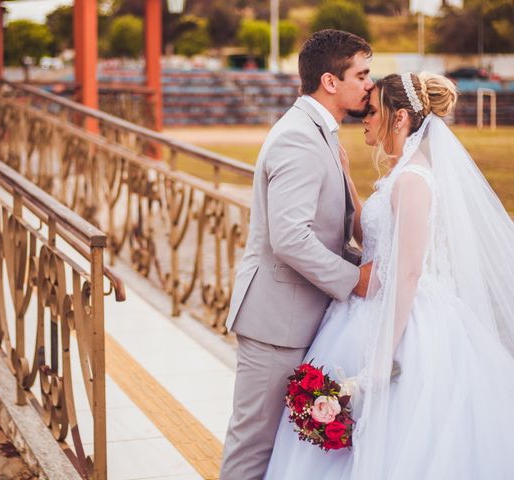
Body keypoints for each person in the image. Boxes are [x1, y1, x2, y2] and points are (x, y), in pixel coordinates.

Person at [264, 72, 514, 479]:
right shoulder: (400, 175)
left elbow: (409, 270)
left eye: (372, 110)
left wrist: (383, 356)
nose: (364, 117)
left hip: (405, 320)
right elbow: (378, 240)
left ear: (398, 119)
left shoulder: (414, 180)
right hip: (368, 304)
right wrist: (347, 181)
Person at [220, 29, 374, 480]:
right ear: (330, 81)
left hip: (299, 318)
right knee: (253, 447)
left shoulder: (318, 132)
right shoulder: (299, 138)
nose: (369, 84)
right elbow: (290, 237)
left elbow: (325, 229)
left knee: (281, 445)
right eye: (361, 74)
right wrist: (356, 280)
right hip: (275, 323)